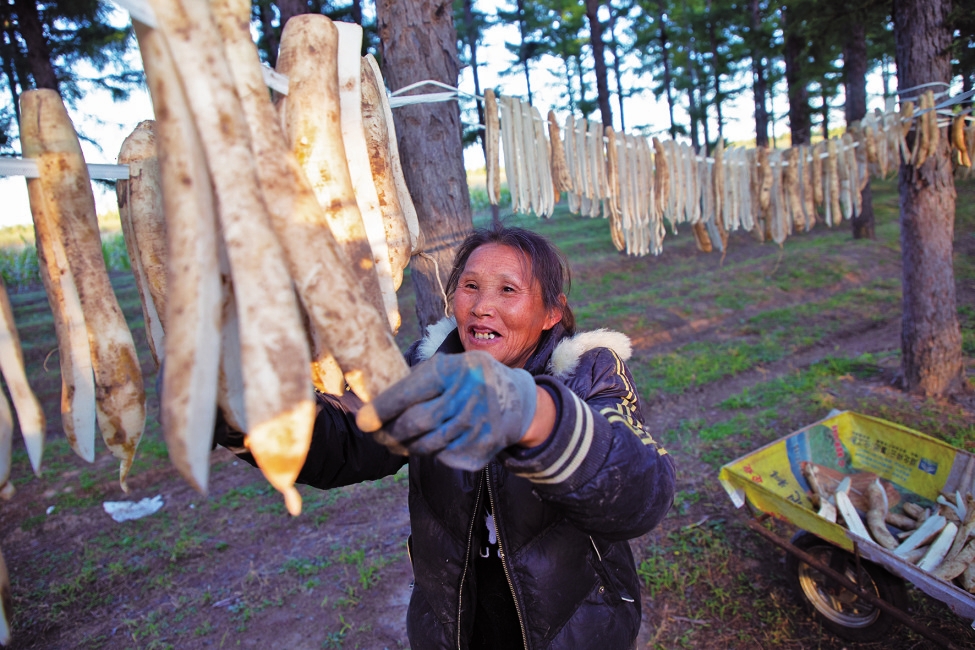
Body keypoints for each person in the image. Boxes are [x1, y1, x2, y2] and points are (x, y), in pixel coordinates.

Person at [216, 225, 676, 649]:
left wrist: (533, 414)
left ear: (551, 313)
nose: (481, 306)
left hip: (573, 626)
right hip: (454, 624)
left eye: (508, 290)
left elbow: (638, 492)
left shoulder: (588, 371)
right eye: (470, 286)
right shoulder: (427, 367)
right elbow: (348, 443)